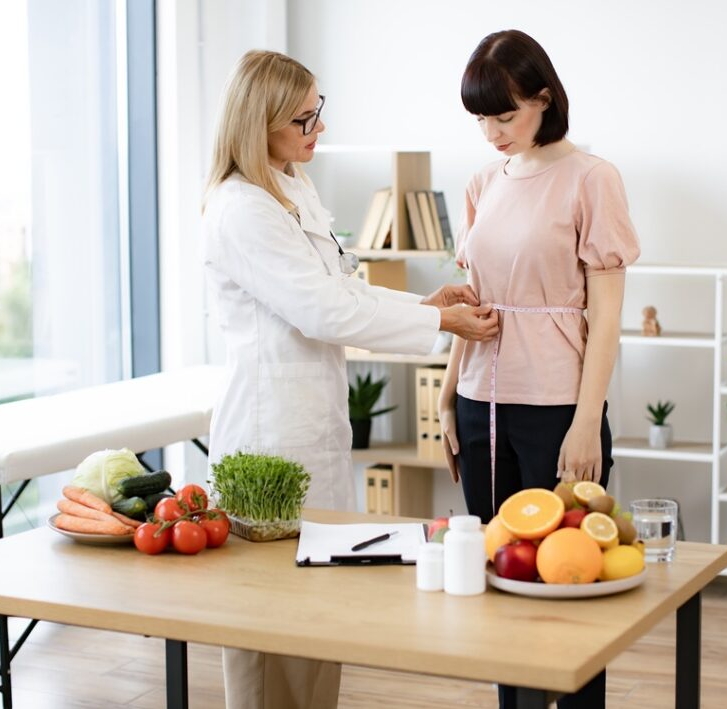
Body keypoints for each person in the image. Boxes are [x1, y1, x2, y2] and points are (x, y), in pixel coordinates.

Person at [201, 49, 499, 709]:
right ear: (258, 123)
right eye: (304, 120)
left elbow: (342, 287)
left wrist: (425, 304)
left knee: (317, 610)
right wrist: (440, 322)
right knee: (269, 620)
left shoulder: (291, 185)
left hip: (314, 423)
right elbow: (322, 311)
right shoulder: (241, 209)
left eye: (319, 113)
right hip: (270, 433)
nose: (320, 129)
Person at [439, 31, 639, 705]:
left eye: (505, 116)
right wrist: (447, 396)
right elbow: (473, 304)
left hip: (558, 405)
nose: (492, 134)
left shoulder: (592, 178)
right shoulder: (482, 183)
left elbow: (605, 318)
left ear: (544, 99)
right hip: (479, 402)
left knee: (572, 578)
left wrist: (587, 422)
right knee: (501, 576)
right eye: (481, 119)